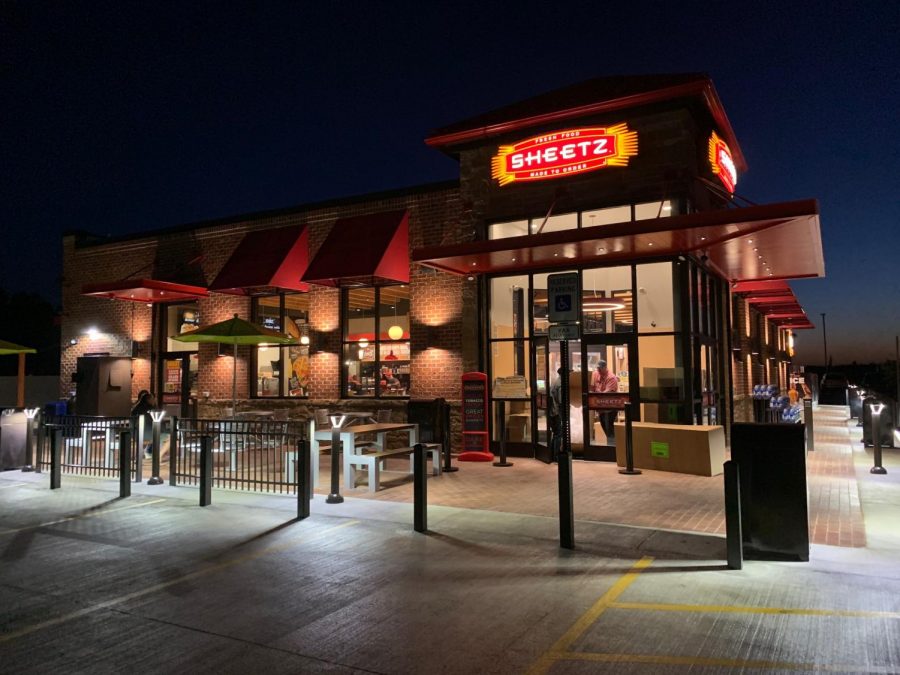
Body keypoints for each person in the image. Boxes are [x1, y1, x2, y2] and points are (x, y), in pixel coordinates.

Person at [591, 361, 619, 441]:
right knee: (606, 429)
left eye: (600, 368)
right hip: (601, 409)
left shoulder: (611, 378)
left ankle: (613, 449)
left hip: (609, 409)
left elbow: (605, 395)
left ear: (605, 368)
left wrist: (596, 393)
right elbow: (592, 388)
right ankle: (611, 447)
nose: (598, 370)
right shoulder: (596, 374)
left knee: (609, 430)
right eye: (597, 368)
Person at [131, 389, 157, 457]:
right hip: (143, 433)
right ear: (148, 400)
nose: (154, 400)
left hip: (135, 432)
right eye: (153, 399)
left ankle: (148, 450)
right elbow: (153, 421)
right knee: (164, 435)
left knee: (158, 434)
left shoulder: (137, 408)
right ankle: (149, 452)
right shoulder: (149, 409)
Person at [548, 367, 566, 458]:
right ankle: (556, 455)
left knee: (555, 433)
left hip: (551, 411)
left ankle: (551, 454)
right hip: (556, 412)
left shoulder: (555, 381)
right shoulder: (561, 384)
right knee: (558, 434)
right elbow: (560, 401)